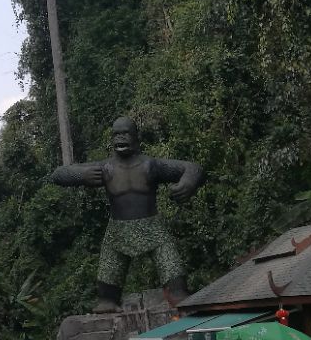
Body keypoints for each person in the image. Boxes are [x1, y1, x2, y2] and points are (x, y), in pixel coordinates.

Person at [48, 117, 204, 313]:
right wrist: (82, 175)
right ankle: (109, 300)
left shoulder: (150, 165)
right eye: (116, 134)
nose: (120, 137)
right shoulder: (105, 168)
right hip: (118, 231)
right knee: (106, 296)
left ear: (136, 137)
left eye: (125, 133)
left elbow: (192, 167)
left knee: (177, 287)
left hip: (152, 227)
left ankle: (177, 295)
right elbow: (58, 174)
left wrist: (188, 182)